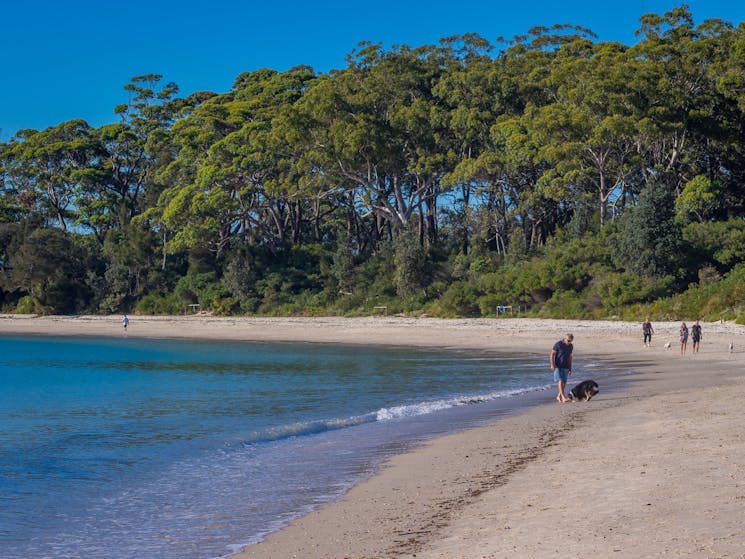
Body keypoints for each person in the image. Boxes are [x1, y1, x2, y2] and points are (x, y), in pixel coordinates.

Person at [550, 333, 574, 403]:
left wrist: (570, 367)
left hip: (566, 366)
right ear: (565, 338)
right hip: (558, 366)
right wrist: (552, 365)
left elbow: (570, 357)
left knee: (564, 382)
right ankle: (563, 397)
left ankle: (559, 396)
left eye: (570, 341)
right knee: (560, 380)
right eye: (568, 340)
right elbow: (552, 354)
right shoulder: (558, 344)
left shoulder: (571, 346)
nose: (569, 342)